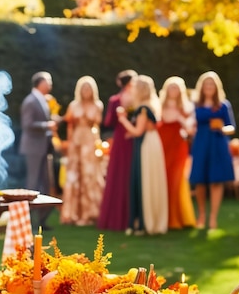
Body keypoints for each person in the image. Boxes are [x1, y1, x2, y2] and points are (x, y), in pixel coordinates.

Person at [116, 75, 168, 235]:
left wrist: (123, 120)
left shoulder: (143, 108)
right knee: (151, 180)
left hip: (146, 145)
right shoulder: (152, 105)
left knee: (144, 180)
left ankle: (143, 223)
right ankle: (152, 219)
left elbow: (138, 131)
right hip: (154, 143)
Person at [189, 71, 235, 230]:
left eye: (212, 85)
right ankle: (201, 214)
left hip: (217, 144)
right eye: (206, 84)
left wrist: (222, 128)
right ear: (201, 87)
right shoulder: (195, 105)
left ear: (216, 87)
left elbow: (231, 127)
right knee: (200, 181)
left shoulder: (223, 105)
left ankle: (213, 217)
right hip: (201, 143)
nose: (209, 87)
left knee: (216, 180)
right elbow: (190, 124)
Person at [60, 76, 104, 225]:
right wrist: (69, 144)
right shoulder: (73, 105)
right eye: (84, 88)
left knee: (89, 176)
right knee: (74, 176)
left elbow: (97, 124)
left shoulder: (98, 105)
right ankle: (71, 214)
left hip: (90, 141)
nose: (86, 91)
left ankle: (90, 213)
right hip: (76, 142)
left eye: (89, 88)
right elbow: (69, 125)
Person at [97, 69, 138, 231]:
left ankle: (122, 217)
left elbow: (108, 121)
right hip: (127, 139)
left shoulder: (116, 100)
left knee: (121, 175)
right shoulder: (121, 100)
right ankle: (120, 218)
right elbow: (109, 121)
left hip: (125, 138)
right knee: (122, 175)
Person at [19, 71, 58, 230]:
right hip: (34, 148)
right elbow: (27, 124)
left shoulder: (42, 100)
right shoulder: (30, 101)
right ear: (40, 83)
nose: (50, 84)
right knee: (32, 185)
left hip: (43, 148)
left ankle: (41, 221)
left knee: (45, 185)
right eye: (48, 81)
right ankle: (27, 221)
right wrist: (47, 125)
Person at [157, 77, 197, 229]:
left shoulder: (186, 108)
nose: (173, 90)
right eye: (170, 87)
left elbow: (190, 130)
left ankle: (177, 218)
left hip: (178, 145)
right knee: (163, 178)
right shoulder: (159, 106)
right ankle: (163, 217)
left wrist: (180, 118)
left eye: (176, 88)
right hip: (162, 143)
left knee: (177, 180)